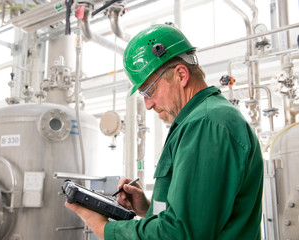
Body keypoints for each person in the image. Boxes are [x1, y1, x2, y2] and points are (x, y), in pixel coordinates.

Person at [66, 23, 263, 239]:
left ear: (180, 74)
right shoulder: (196, 121)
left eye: (149, 90)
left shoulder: (206, 123)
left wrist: (104, 228)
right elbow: (192, 217)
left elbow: (181, 233)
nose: (148, 105)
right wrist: (145, 208)